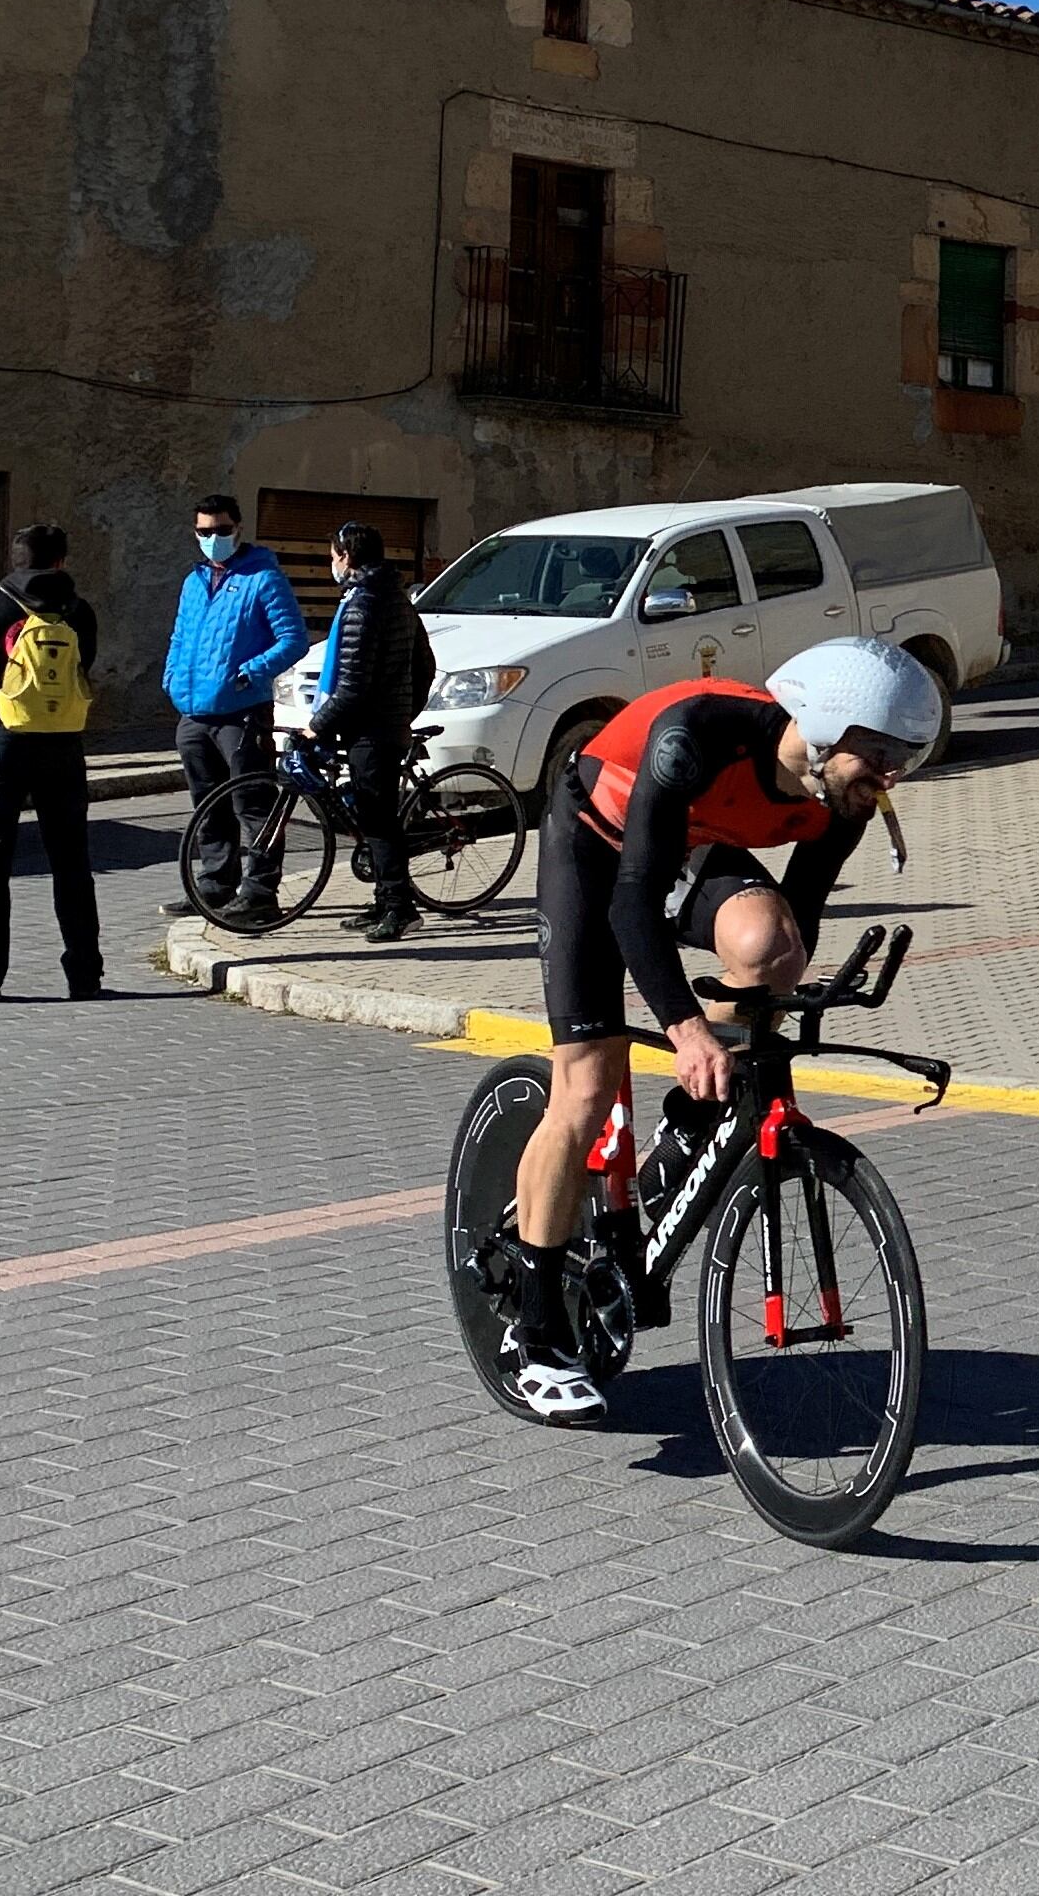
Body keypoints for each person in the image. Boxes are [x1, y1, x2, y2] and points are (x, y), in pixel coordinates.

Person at [503, 635, 942, 1423]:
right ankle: (536, 1336)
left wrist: (771, 1021)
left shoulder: (841, 796)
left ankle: (689, 1125)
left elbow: (799, 914)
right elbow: (632, 901)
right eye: (878, 757)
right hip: (596, 841)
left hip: (692, 846)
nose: (889, 779)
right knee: (588, 1087)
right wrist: (686, 1031)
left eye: (903, 760)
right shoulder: (695, 736)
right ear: (824, 728)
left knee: (771, 945)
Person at [164, 495, 307, 920]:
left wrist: (251, 672)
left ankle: (260, 893)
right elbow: (178, 638)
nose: (213, 539)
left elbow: (293, 639)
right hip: (193, 713)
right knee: (207, 806)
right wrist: (171, 679)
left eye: (221, 530)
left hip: (242, 712)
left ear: (238, 529)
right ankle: (215, 886)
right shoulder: (193, 581)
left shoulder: (264, 578)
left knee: (253, 804)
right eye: (205, 532)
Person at [0, 523, 104, 1001]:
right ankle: (84, 975)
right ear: (61, 561)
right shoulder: (78, 612)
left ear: (14, 561)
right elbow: (83, 669)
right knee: (71, 859)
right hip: (62, 743)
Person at [311, 522, 435, 943]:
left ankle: (401, 908)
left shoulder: (363, 604)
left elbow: (352, 686)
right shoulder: (396, 597)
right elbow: (425, 664)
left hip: (371, 729)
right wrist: (405, 710)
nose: (331, 564)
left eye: (332, 556)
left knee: (379, 821)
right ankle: (384, 900)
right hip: (386, 723)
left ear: (346, 556)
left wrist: (317, 726)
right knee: (374, 816)